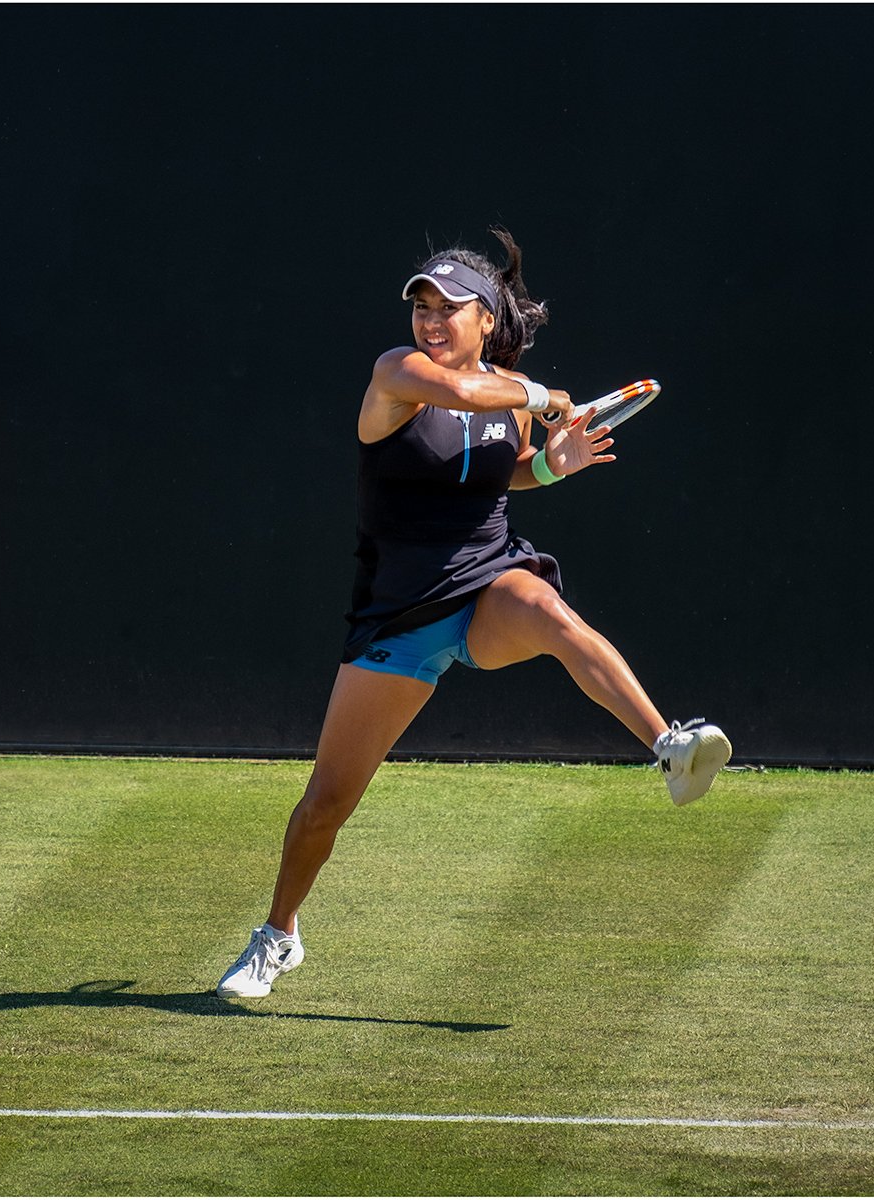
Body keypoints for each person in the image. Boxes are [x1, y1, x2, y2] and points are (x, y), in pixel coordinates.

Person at [216, 229, 731, 999]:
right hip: (398, 610)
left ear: (485, 320)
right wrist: (540, 396)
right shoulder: (397, 374)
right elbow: (462, 396)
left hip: (487, 578)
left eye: (449, 308)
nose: (430, 320)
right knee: (326, 803)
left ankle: (668, 746)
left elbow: (507, 472)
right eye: (422, 306)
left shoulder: (506, 392)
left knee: (549, 610)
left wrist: (555, 465)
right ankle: (279, 934)